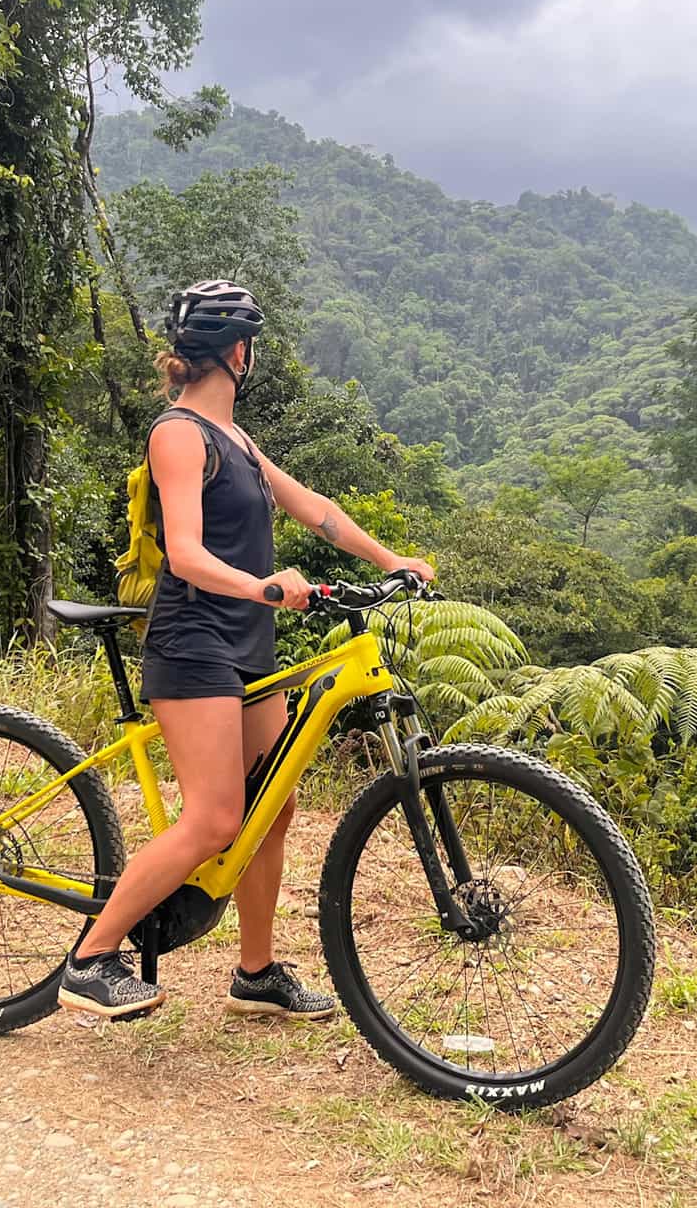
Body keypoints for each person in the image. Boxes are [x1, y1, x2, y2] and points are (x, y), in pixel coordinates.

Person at [59, 279, 435, 1020]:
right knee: (215, 820)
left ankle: (255, 974)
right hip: (194, 641)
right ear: (239, 352)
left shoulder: (239, 441)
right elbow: (187, 554)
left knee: (273, 806)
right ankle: (91, 959)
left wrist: (391, 559)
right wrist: (266, 588)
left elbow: (317, 512)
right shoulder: (177, 434)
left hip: (245, 646)